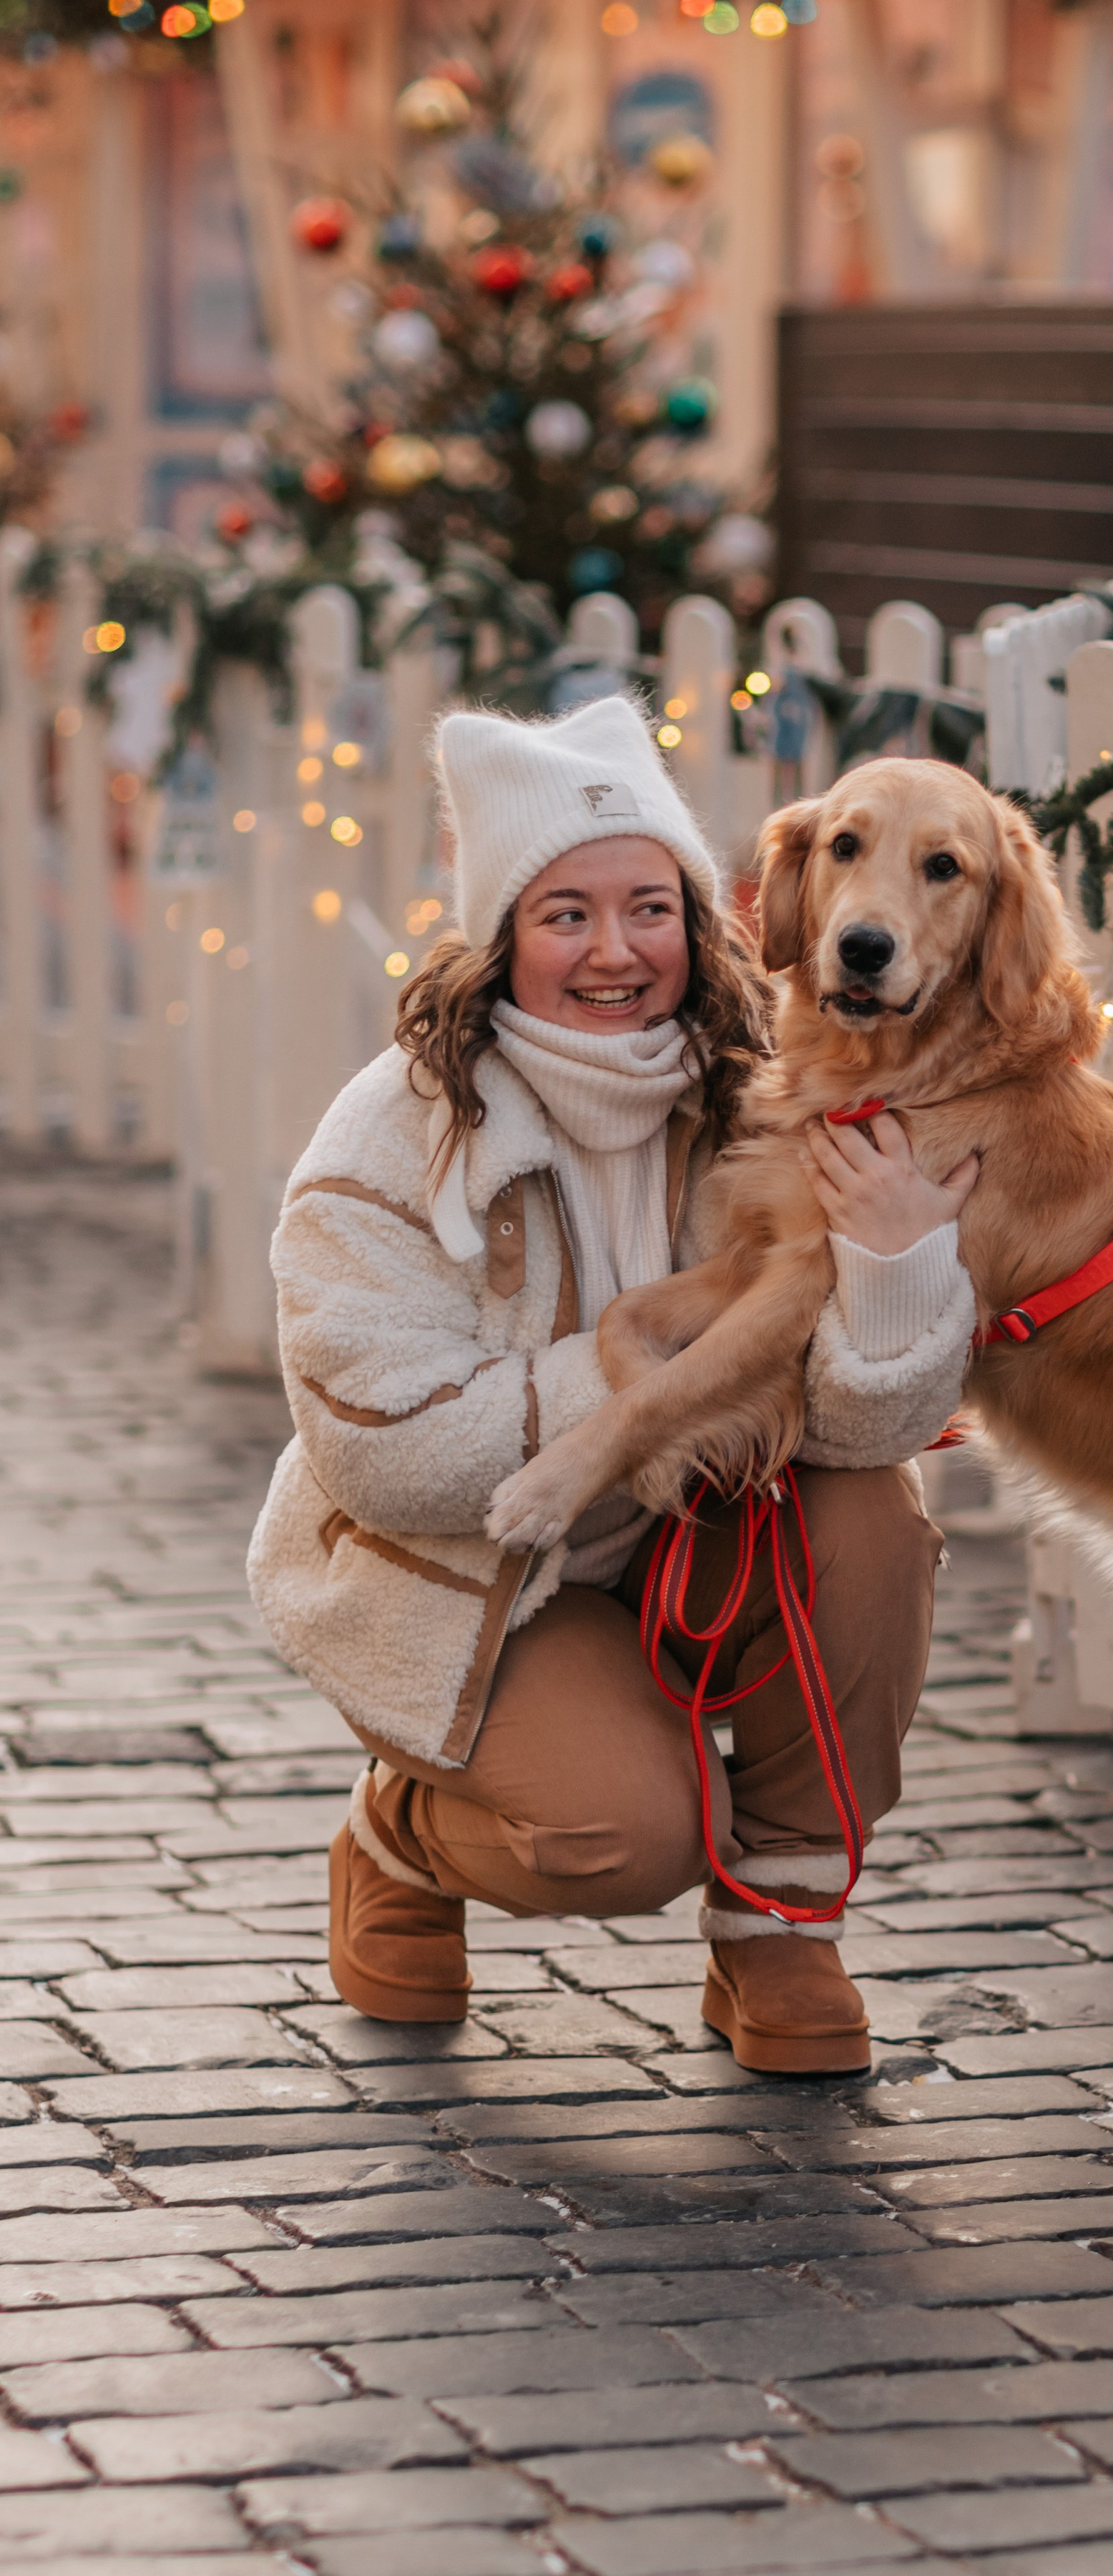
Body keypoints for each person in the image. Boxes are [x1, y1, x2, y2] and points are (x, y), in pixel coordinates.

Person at [247, 697, 978, 2072]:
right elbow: (378, 1449)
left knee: (874, 1517)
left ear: (703, 924)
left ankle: (783, 1929)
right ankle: (396, 1836)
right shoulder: (394, 1134)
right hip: (469, 1576)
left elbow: (866, 1421)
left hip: (689, 1537)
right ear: (503, 936)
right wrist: (637, 1371)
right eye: (564, 914)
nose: (614, 951)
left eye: (649, 908)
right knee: (618, 1835)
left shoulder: (771, 1090)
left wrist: (890, 1273)